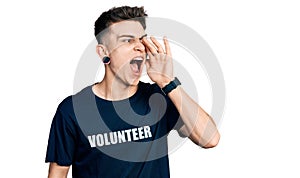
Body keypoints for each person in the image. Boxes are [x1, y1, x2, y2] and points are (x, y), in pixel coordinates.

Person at [45, 6, 220, 178]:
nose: (140, 47)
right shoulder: (72, 110)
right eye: (127, 40)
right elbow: (58, 173)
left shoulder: (159, 98)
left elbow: (209, 139)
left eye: (141, 39)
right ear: (104, 52)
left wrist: (168, 82)